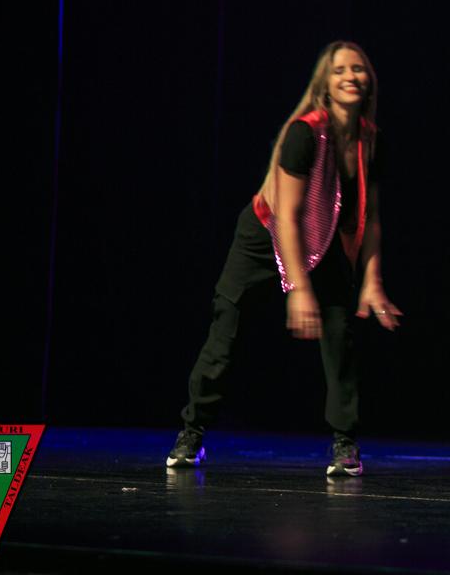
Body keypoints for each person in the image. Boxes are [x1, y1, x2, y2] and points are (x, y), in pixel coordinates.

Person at [167, 41, 401, 477]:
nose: (350, 76)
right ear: (324, 84)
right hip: (264, 233)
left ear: (369, 81)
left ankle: (345, 443)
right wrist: (297, 287)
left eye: (357, 69)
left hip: (323, 237)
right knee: (227, 325)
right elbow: (287, 218)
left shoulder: (371, 140)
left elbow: (369, 217)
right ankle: (192, 432)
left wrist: (372, 280)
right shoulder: (304, 133)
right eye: (339, 70)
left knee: (340, 333)